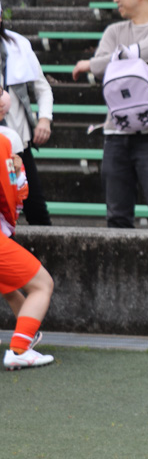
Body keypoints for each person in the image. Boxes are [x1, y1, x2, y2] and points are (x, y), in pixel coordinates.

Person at [71, 0, 148, 230]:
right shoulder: (113, 31)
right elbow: (101, 70)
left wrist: (101, 62)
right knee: (117, 219)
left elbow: (96, 64)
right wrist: (143, 59)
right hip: (115, 135)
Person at [1, 89, 55, 371]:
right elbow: (14, 190)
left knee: (8, 285)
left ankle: (25, 339)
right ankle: (20, 349)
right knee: (42, 284)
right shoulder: (6, 138)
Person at [1, 0, 53, 224]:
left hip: (17, 143)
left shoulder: (18, 45)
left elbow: (42, 87)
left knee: (35, 209)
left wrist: (44, 119)